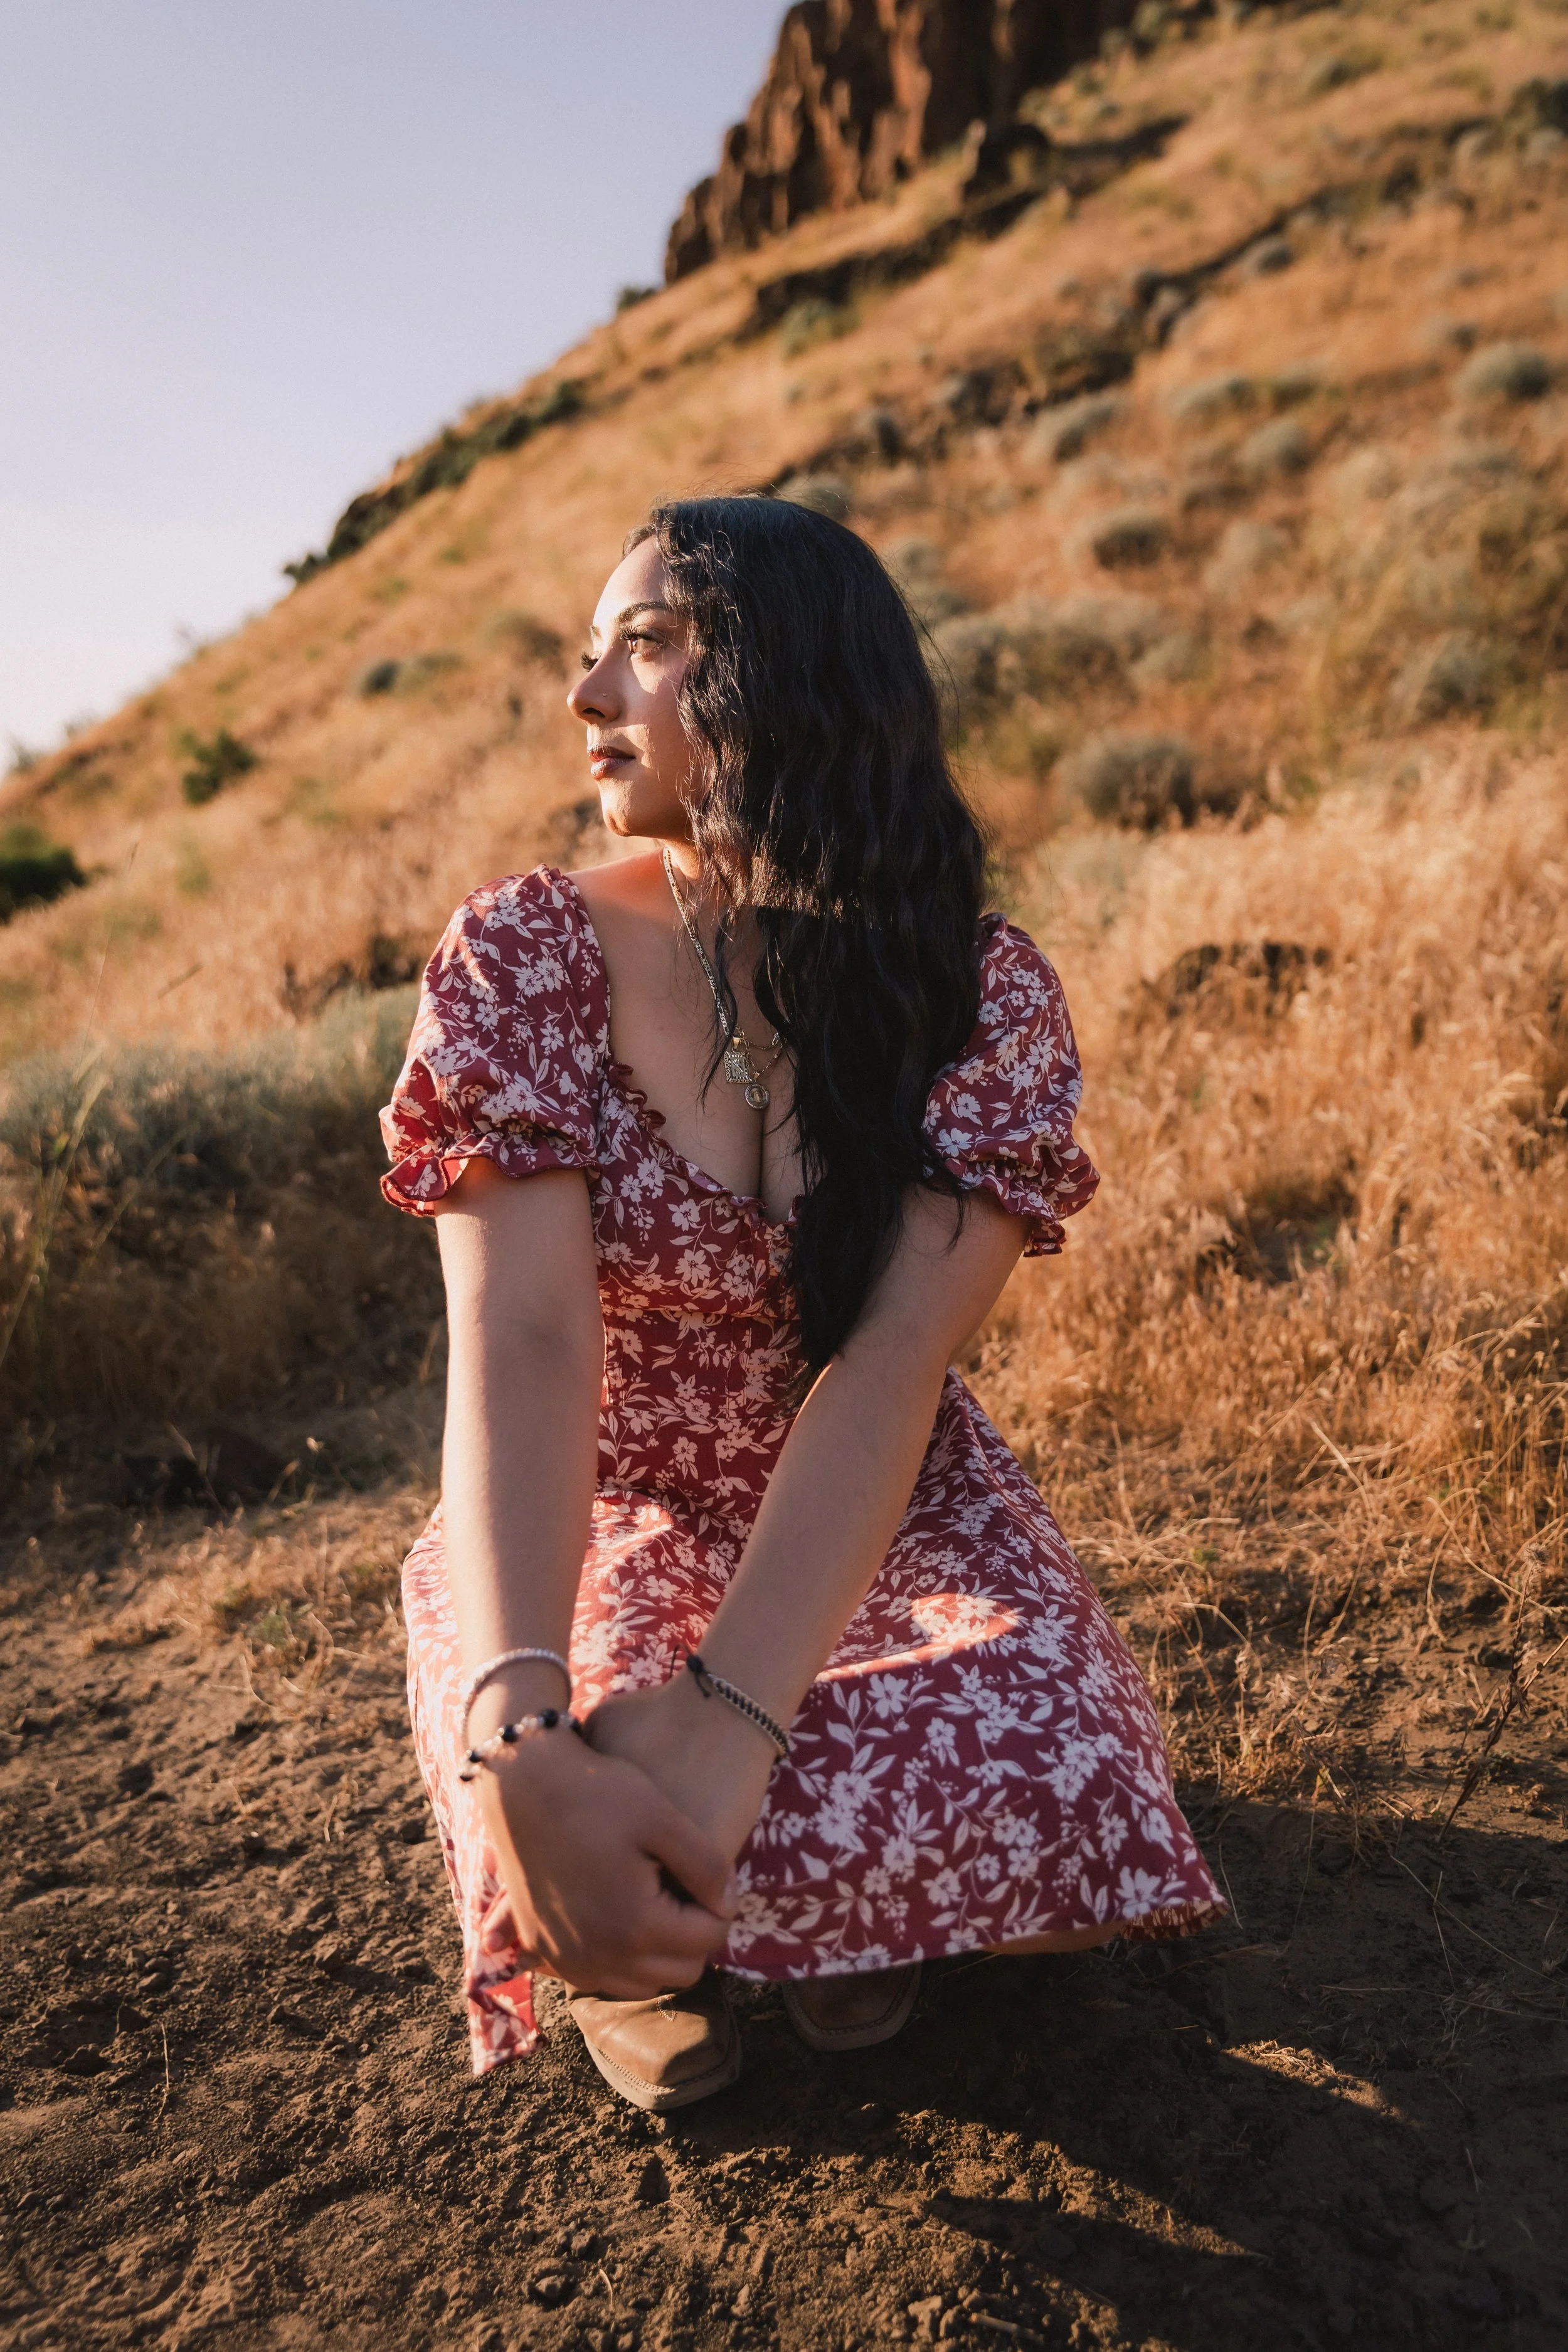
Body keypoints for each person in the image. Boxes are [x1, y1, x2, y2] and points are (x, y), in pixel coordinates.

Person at [379, 495, 1222, 2111]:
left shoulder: (978, 990)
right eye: (586, 653)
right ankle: (764, 1912)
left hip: (881, 1498)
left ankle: (686, 1919)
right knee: (563, 1754)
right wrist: (525, 1720)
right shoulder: (522, 954)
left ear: (784, 675)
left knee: (1073, 1787)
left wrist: (732, 1722)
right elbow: (526, 1343)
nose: (586, 699)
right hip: (603, 1500)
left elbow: (895, 1362)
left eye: (646, 646)